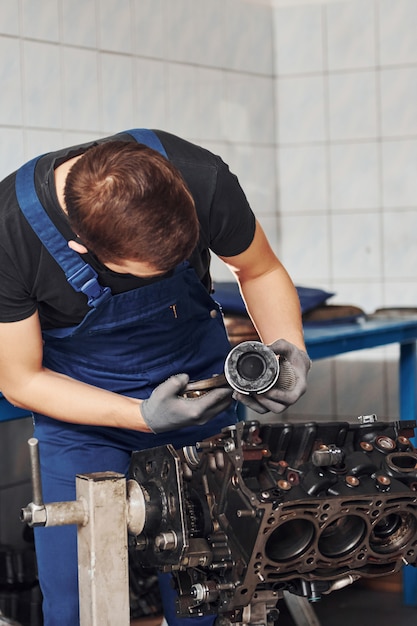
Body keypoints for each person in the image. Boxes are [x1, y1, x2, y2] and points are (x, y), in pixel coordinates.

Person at [0, 128, 311, 626]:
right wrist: (139, 417)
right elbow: (20, 379)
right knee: (81, 603)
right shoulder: (10, 235)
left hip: (201, 400)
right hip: (81, 418)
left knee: (215, 598)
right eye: (152, 271)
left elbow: (259, 269)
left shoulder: (202, 177)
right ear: (81, 248)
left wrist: (291, 348)